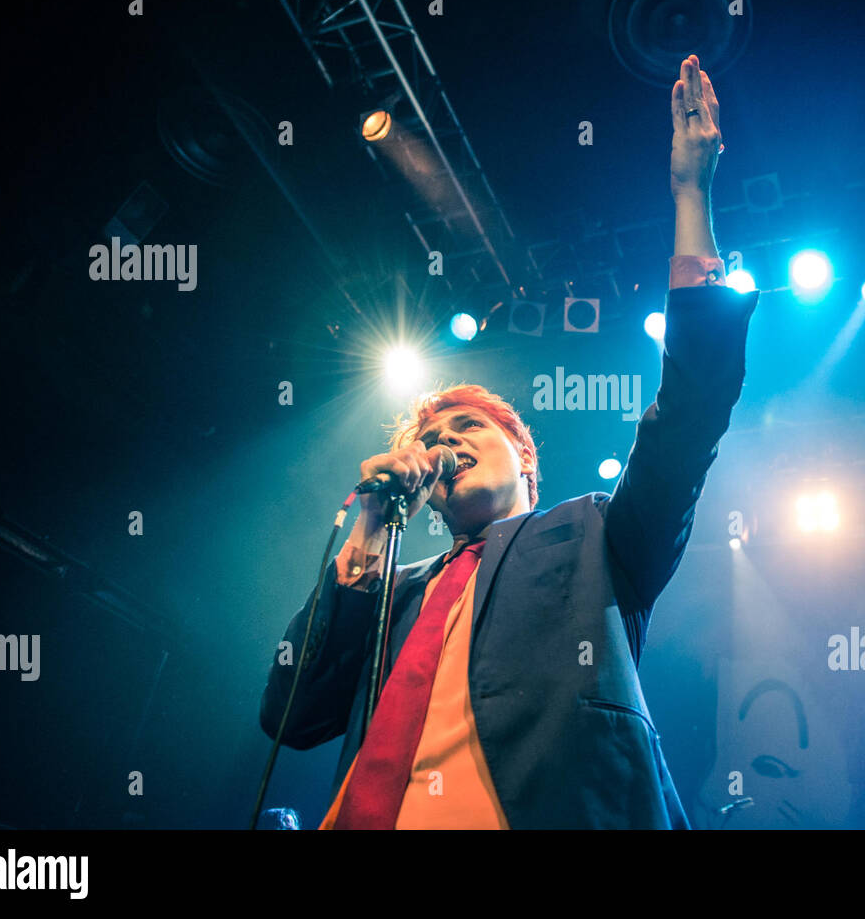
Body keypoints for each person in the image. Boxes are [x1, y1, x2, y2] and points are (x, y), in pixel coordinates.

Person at [260, 54, 758, 828]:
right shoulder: (394, 590)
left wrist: (691, 194)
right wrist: (364, 526)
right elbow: (290, 721)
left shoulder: (594, 534)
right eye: (430, 436)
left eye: (467, 426)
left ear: (523, 457)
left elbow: (689, 416)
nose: (445, 440)